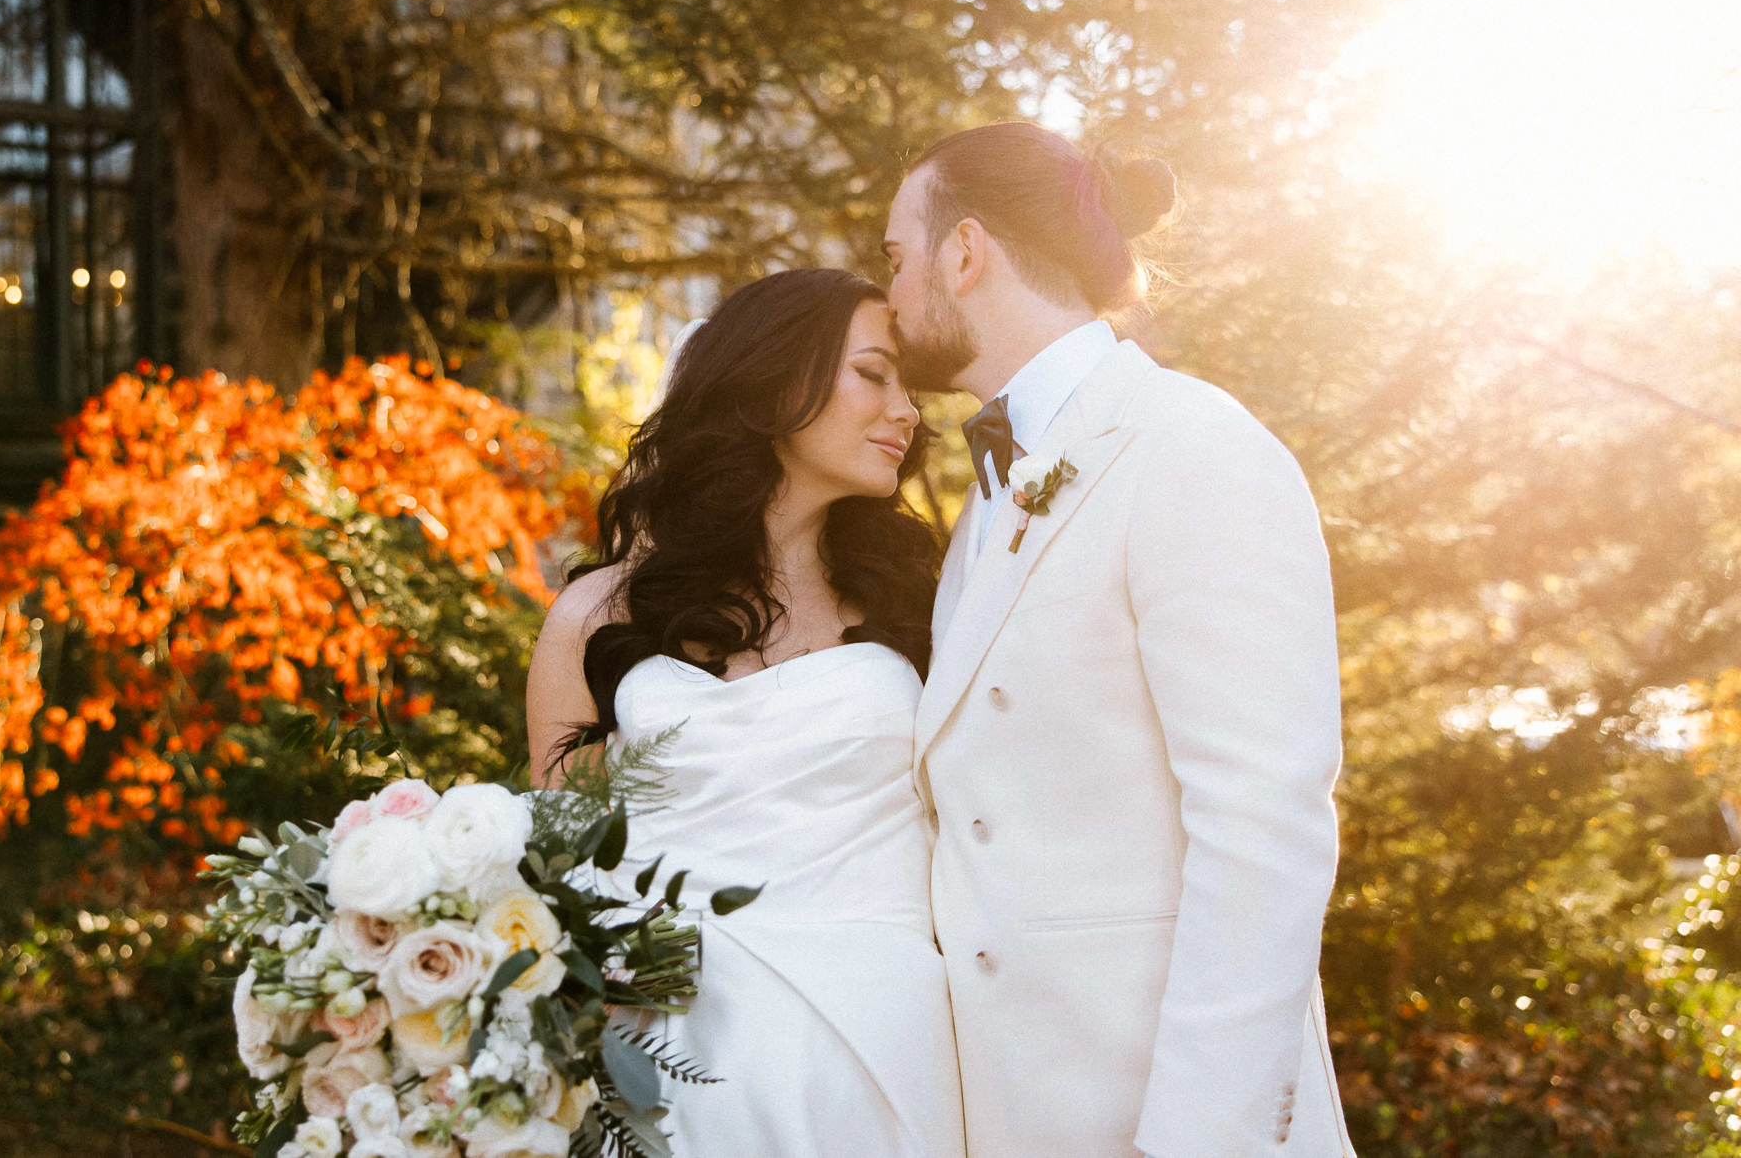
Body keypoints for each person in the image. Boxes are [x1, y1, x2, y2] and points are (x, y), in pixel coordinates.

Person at [883, 120, 1354, 1158]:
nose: (888, 294)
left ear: (962, 254)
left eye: (895, 256)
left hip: (1166, 1117)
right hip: (1014, 1114)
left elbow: (1262, 826)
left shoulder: (1193, 445)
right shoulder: (983, 506)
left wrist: (1197, 1141)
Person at [525, 267, 966, 1157]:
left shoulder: (930, 603)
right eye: (873, 374)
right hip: (673, 1063)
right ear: (774, 381)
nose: (907, 409)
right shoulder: (600, 616)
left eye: (907, 385)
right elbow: (561, 870)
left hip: (882, 1052)